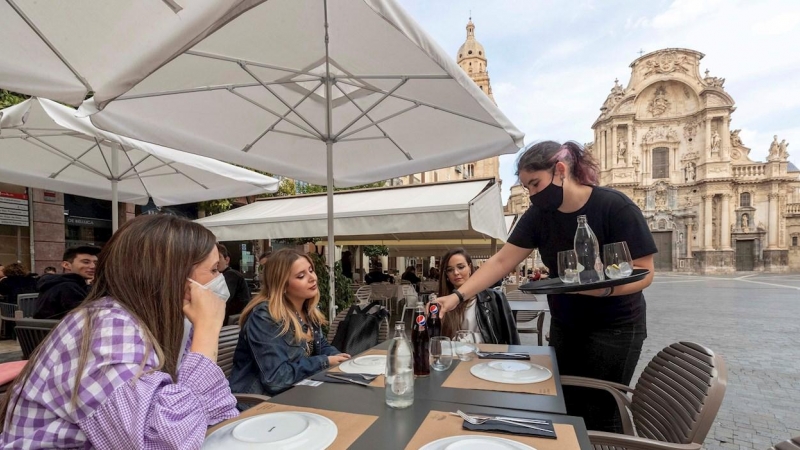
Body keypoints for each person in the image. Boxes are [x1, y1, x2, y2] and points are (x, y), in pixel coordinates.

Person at [436, 141, 656, 433]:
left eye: (535, 184)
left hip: (615, 327)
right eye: (527, 188)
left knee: (602, 409)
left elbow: (644, 272)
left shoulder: (615, 207)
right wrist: (457, 296)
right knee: (564, 401)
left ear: (561, 171)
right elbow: (502, 262)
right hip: (566, 325)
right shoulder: (540, 216)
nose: (532, 194)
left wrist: (601, 290)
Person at [0, 215, 238, 447]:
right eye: (214, 269)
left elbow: (216, 406)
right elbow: (164, 441)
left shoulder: (162, 324)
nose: (220, 280)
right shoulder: (107, 328)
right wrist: (207, 331)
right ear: (173, 275)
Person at [229, 249, 350, 399]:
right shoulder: (265, 316)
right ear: (282, 285)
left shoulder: (307, 310)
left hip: (297, 392)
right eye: (301, 276)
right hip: (260, 403)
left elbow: (320, 346)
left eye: (311, 270)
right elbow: (276, 378)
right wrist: (324, 362)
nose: (312, 278)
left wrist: (341, 359)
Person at [437, 249, 519, 345]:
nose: (456, 272)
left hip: (486, 356)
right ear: (446, 275)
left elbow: (507, 337)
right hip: (454, 357)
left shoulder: (493, 298)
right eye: (450, 270)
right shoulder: (443, 303)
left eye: (461, 267)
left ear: (470, 268)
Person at [33, 246, 100, 320]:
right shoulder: (68, 287)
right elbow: (85, 318)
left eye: (96, 263)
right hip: (60, 330)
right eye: (86, 262)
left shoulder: (57, 283)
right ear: (66, 265)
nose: (93, 266)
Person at [216, 243, 251, 320]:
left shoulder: (231, 275)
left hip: (234, 322)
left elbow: (221, 298)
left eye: (218, 257)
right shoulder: (221, 275)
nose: (215, 261)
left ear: (227, 260)